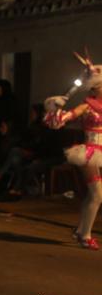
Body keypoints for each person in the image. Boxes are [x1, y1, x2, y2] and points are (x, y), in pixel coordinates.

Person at [44, 50, 102, 250]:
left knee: (95, 195)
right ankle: (84, 235)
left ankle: (80, 231)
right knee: (97, 194)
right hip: (91, 153)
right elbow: (59, 122)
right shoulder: (87, 107)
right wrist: (54, 107)